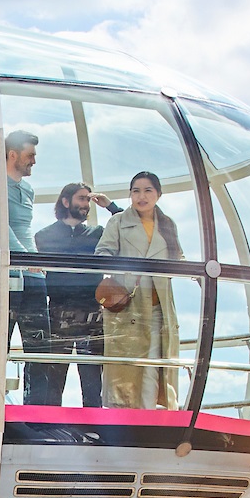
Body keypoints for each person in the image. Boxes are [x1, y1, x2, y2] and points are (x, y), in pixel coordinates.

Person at [92, 170, 183, 409]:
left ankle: (149, 415)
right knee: (125, 369)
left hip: (159, 307)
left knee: (154, 364)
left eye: (147, 190)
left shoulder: (167, 225)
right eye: (136, 191)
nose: (141, 196)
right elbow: (102, 254)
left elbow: (177, 259)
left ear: (158, 194)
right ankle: (122, 420)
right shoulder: (118, 221)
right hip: (128, 307)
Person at [29, 180, 119, 406]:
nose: (87, 204)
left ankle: (94, 430)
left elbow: (128, 225)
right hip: (58, 310)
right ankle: (52, 430)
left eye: (89, 199)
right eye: (82, 198)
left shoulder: (98, 233)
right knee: (54, 379)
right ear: (65, 201)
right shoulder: (44, 236)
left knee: (92, 382)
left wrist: (110, 206)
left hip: (92, 311)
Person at [1, 129, 50, 405]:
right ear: (12, 155)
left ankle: (37, 409)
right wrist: (25, 260)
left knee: (40, 346)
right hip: (9, 276)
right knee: (1, 345)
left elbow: (25, 230)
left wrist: (36, 262)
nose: (34, 160)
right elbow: (2, 225)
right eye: (30, 155)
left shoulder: (28, 189)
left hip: (32, 277)